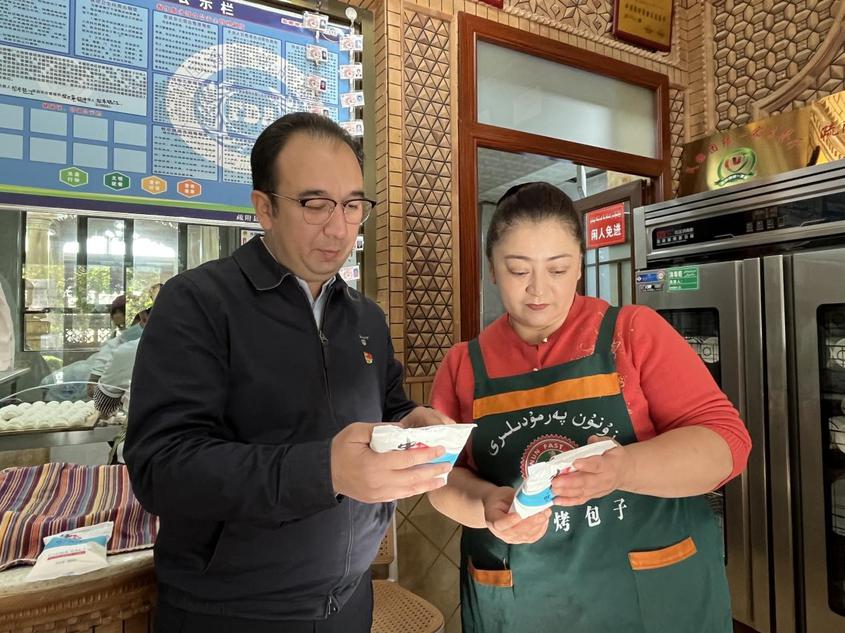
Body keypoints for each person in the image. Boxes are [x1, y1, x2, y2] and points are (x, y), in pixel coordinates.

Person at [124, 113, 452, 633]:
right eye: (315, 204)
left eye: (351, 206)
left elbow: (387, 404)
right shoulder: (198, 303)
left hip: (349, 601)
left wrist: (412, 420)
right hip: (233, 613)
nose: (339, 226)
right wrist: (325, 471)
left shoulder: (364, 316)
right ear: (264, 208)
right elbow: (162, 467)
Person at [428, 182, 752, 633]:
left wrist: (625, 469)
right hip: (523, 603)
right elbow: (440, 480)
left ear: (579, 264)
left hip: (652, 597)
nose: (539, 289)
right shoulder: (464, 364)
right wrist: (486, 505)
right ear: (491, 270)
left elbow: (727, 445)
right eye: (518, 269)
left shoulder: (633, 333)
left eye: (558, 269)